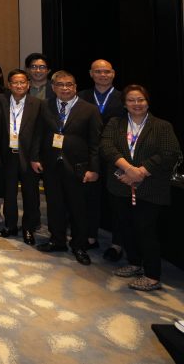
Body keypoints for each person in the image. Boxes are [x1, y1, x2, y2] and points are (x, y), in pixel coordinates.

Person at [101, 85, 182, 291]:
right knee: (126, 227)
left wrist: (141, 172)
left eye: (141, 100)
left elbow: (169, 153)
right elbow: (107, 148)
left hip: (150, 187)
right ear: (124, 104)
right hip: (120, 185)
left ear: (147, 102)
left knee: (146, 230)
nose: (136, 104)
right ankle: (134, 263)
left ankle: (152, 275)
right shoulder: (115, 123)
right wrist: (129, 170)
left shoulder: (162, 126)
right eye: (131, 100)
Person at [31, 70, 101, 265]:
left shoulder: (89, 109)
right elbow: (38, 133)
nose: (65, 88)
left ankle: (79, 245)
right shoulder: (45, 106)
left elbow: (96, 143)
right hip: (51, 164)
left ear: (75, 87)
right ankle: (57, 240)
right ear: (53, 88)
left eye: (69, 84)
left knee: (78, 208)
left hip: (78, 167)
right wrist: (35, 157)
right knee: (54, 206)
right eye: (60, 85)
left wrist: (94, 169)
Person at [79, 59, 126, 260]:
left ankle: (117, 244)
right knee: (90, 197)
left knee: (116, 201)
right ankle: (91, 237)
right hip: (89, 154)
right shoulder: (82, 96)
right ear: (91, 74)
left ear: (113, 73)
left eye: (106, 71)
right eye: (98, 71)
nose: (102, 75)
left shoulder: (124, 97)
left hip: (115, 155)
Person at [0, 69, 43, 244]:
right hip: (8, 154)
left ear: (28, 84)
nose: (19, 85)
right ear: (9, 85)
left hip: (29, 156)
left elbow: (39, 133)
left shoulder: (37, 104)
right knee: (9, 193)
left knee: (30, 194)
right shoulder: (0, 100)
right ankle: (10, 225)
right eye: (15, 82)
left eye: (22, 82)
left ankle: (28, 228)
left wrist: (36, 157)